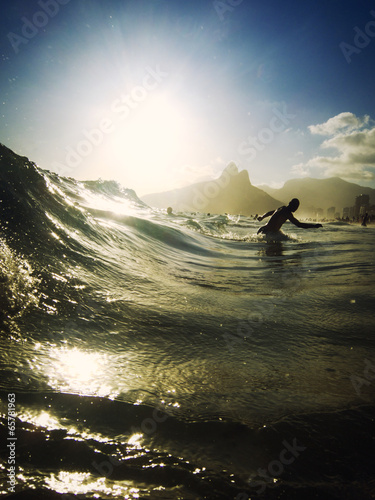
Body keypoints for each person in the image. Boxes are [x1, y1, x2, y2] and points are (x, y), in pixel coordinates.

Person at [257, 198, 322, 234]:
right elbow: (299, 224)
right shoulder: (287, 213)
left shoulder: (282, 208)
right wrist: (314, 226)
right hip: (269, 233)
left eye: (297, 207)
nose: (296, 208)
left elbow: (271, 212)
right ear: (290, 204)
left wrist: (262, 217)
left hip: (264, 229)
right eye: (295, 206)